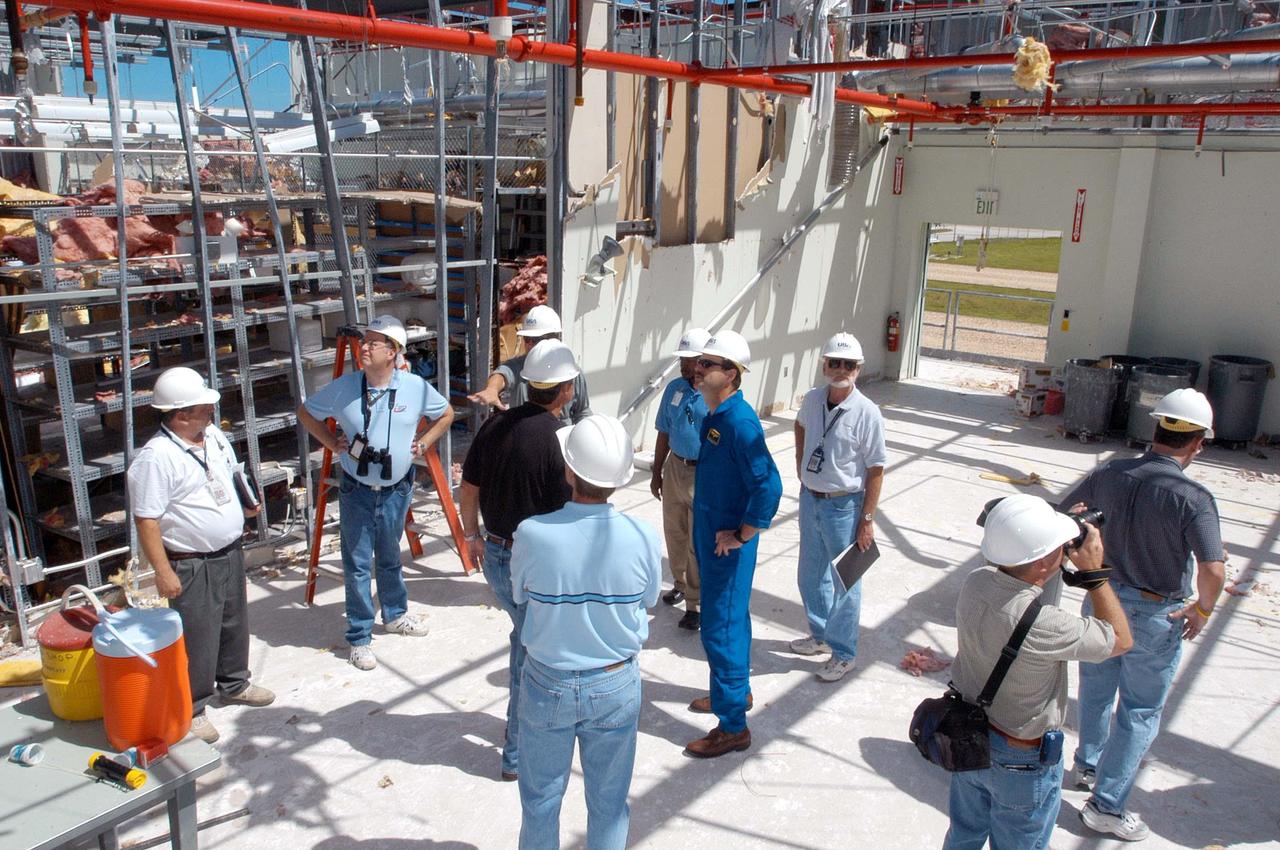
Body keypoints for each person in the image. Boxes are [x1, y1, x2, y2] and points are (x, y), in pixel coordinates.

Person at [1063, 388, 1225, 842]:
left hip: (1101, 597)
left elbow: (1062, 515)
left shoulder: (1111, 472)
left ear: (1154, 429)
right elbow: (1213, 568)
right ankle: (1106, 806)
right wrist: (1204, 609)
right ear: (1198, 443)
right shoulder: (1192, 496)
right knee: (1138, 711)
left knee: (1095, 689)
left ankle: (1088, 766)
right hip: (1156, 614)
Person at [944, 494, 1132, 850]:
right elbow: (1120, 640)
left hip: (968, 737)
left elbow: (1019, 570)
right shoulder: (1048, 626)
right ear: (1045, 561)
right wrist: (1095, 576)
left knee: (964, 834)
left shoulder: (975, 582)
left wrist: (1046, 537)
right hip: (1021, 760)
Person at [511, 415, 661, 849]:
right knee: (609, 803)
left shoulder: (533, 533)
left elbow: (521, 592)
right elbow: (649, 599)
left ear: (568, 471)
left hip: (548, 681)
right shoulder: (642, 536)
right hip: (615, 681)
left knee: (540, 801)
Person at [128, 367, 275, 744]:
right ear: (179, 415)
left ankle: (234, 683)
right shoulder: (156, 458)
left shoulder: (211, 436)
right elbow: (147, 520)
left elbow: (231, 472)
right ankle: (192, 707)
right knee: (197, 636)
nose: (211, 411)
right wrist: (162, 572)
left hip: (228, 550)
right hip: (191, 561)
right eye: (203, 407)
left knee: (232, 622)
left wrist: (247, 503)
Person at [298, 315, 454, 671]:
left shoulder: (414, 387)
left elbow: (446, 413)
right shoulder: (345, 386)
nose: (364, 348)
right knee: (356, 563)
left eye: (373, 343)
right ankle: (359, 636)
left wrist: (425, 441)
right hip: (357, 489)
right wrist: (330, 442)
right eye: (364, 342)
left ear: (393, 351)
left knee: (389, 555)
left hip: (397, 488)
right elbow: (306, 413)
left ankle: (395, 615)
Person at [459, 338, 580, 781]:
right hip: (537, 565)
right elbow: (568, 516)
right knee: (532, 656)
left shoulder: (494, 426)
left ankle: (523, 743)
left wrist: (470, 534)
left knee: (525, 638)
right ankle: (517, 753)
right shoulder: (562, 441)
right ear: (565, 390)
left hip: (496, 553)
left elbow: (468, 488)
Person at [683, 330, 783, 759]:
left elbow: (769, 486)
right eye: (700, 362)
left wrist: (743, 533)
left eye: (708, 364)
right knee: (731, 622)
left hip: (727, 547)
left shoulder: (739, 425)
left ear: (732, 374)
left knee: (719, 628)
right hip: (711, 538)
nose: (698, 369)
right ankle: (733, 693)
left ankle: (732, 727)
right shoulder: (716, 417)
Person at [790, 332, 886, 682]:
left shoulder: (867, 413)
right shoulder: (814, 399)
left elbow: (876, 469)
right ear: (825, 366)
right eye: (834, 363)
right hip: (810, 499)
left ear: (858, 369)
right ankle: (819, 636)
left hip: (844, 506)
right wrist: (801, 462)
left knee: (846, 582)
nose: (840, 369)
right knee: (809, 575)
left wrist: (867, 519)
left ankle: (844, 653)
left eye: (848, 364)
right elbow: (799, 426)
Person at [649, 327, 710, 632]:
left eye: (693, 359)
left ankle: (695, 604)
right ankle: (680, 583)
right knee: (675, 532)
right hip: (675, 467)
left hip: (703, 472)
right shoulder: (674, 389)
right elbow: (663, 430)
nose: (686, 366)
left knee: (697, 540)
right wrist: (656, 469)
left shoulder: (714, 393)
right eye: (683, 360)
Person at [468, 304, 591, 424]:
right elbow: (502, 374)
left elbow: (582, 411)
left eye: (536, 340)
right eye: (527, 339)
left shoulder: (572, 372)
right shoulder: (519, 366)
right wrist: (492, 389)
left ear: (555, 338)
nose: (530, 345)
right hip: (529, 437)